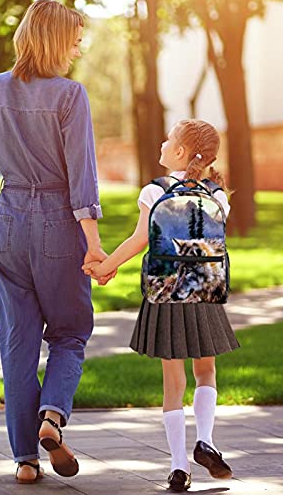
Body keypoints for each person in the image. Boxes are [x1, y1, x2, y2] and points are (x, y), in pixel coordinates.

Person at [0, 0, 114, 484]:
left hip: (7, 222)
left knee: (18, 343)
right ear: (52, 41)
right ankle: (52, 416)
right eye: (72, 40)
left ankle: (25, 459)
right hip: (58, 225)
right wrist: (93, 244)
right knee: (70, 333)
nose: (76, 49)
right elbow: (81, 177)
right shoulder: (70, 95)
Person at [84, 119, 240, 492]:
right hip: (205, 294)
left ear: (181, 152)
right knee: (206, 372)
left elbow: (140, 239)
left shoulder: (155, 192)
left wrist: (105, 267)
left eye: (168, 139)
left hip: (165, 293)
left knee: (173, 382)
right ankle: (207, 440)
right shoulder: (218, 195)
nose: (162, 142)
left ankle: (178, 467)